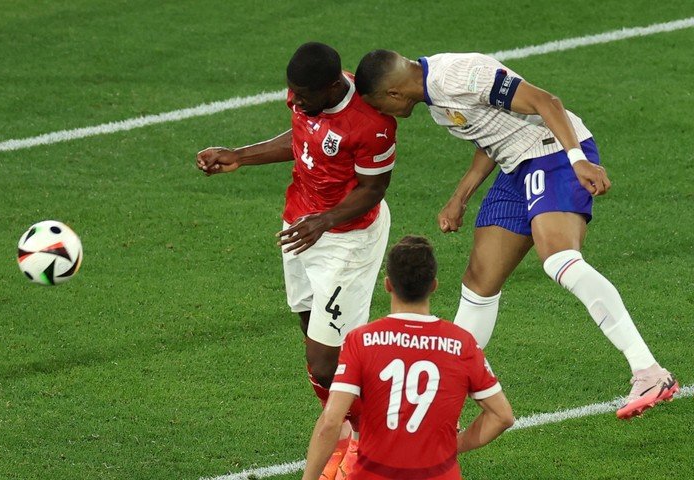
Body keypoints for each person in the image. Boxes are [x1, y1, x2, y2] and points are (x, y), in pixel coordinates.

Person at [353, 50, 678, 419]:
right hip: (516, 165)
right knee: (479, 282)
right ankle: (443, 401)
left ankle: (649, 371)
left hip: (553, 151)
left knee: (559, 259)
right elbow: (492, 135)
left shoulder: (459, 76)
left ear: (393, 94)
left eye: (380, 105)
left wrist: (577, 160)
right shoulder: (436, 102)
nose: (384, 114)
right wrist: (459, 198)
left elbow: (544, 101)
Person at [197, 42, 397, 478]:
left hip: (347, 240)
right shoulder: (307, 94)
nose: (296, 101)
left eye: (304, 96)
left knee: (328, 361)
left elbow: (374, 188)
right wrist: (240, 155)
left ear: (331, 87)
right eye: (293, 94)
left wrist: (324, 221)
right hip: (301, 227)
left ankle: (369, 443)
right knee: (311, 341)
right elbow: (305, 138)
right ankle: (344, 430)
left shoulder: (372, 122)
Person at [302, 235, 514, 480]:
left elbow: (331, 421)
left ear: (388, 284)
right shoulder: (462, 343)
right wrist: (453, 447)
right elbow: (502, 416)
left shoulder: (361, 340)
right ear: (434, 285)